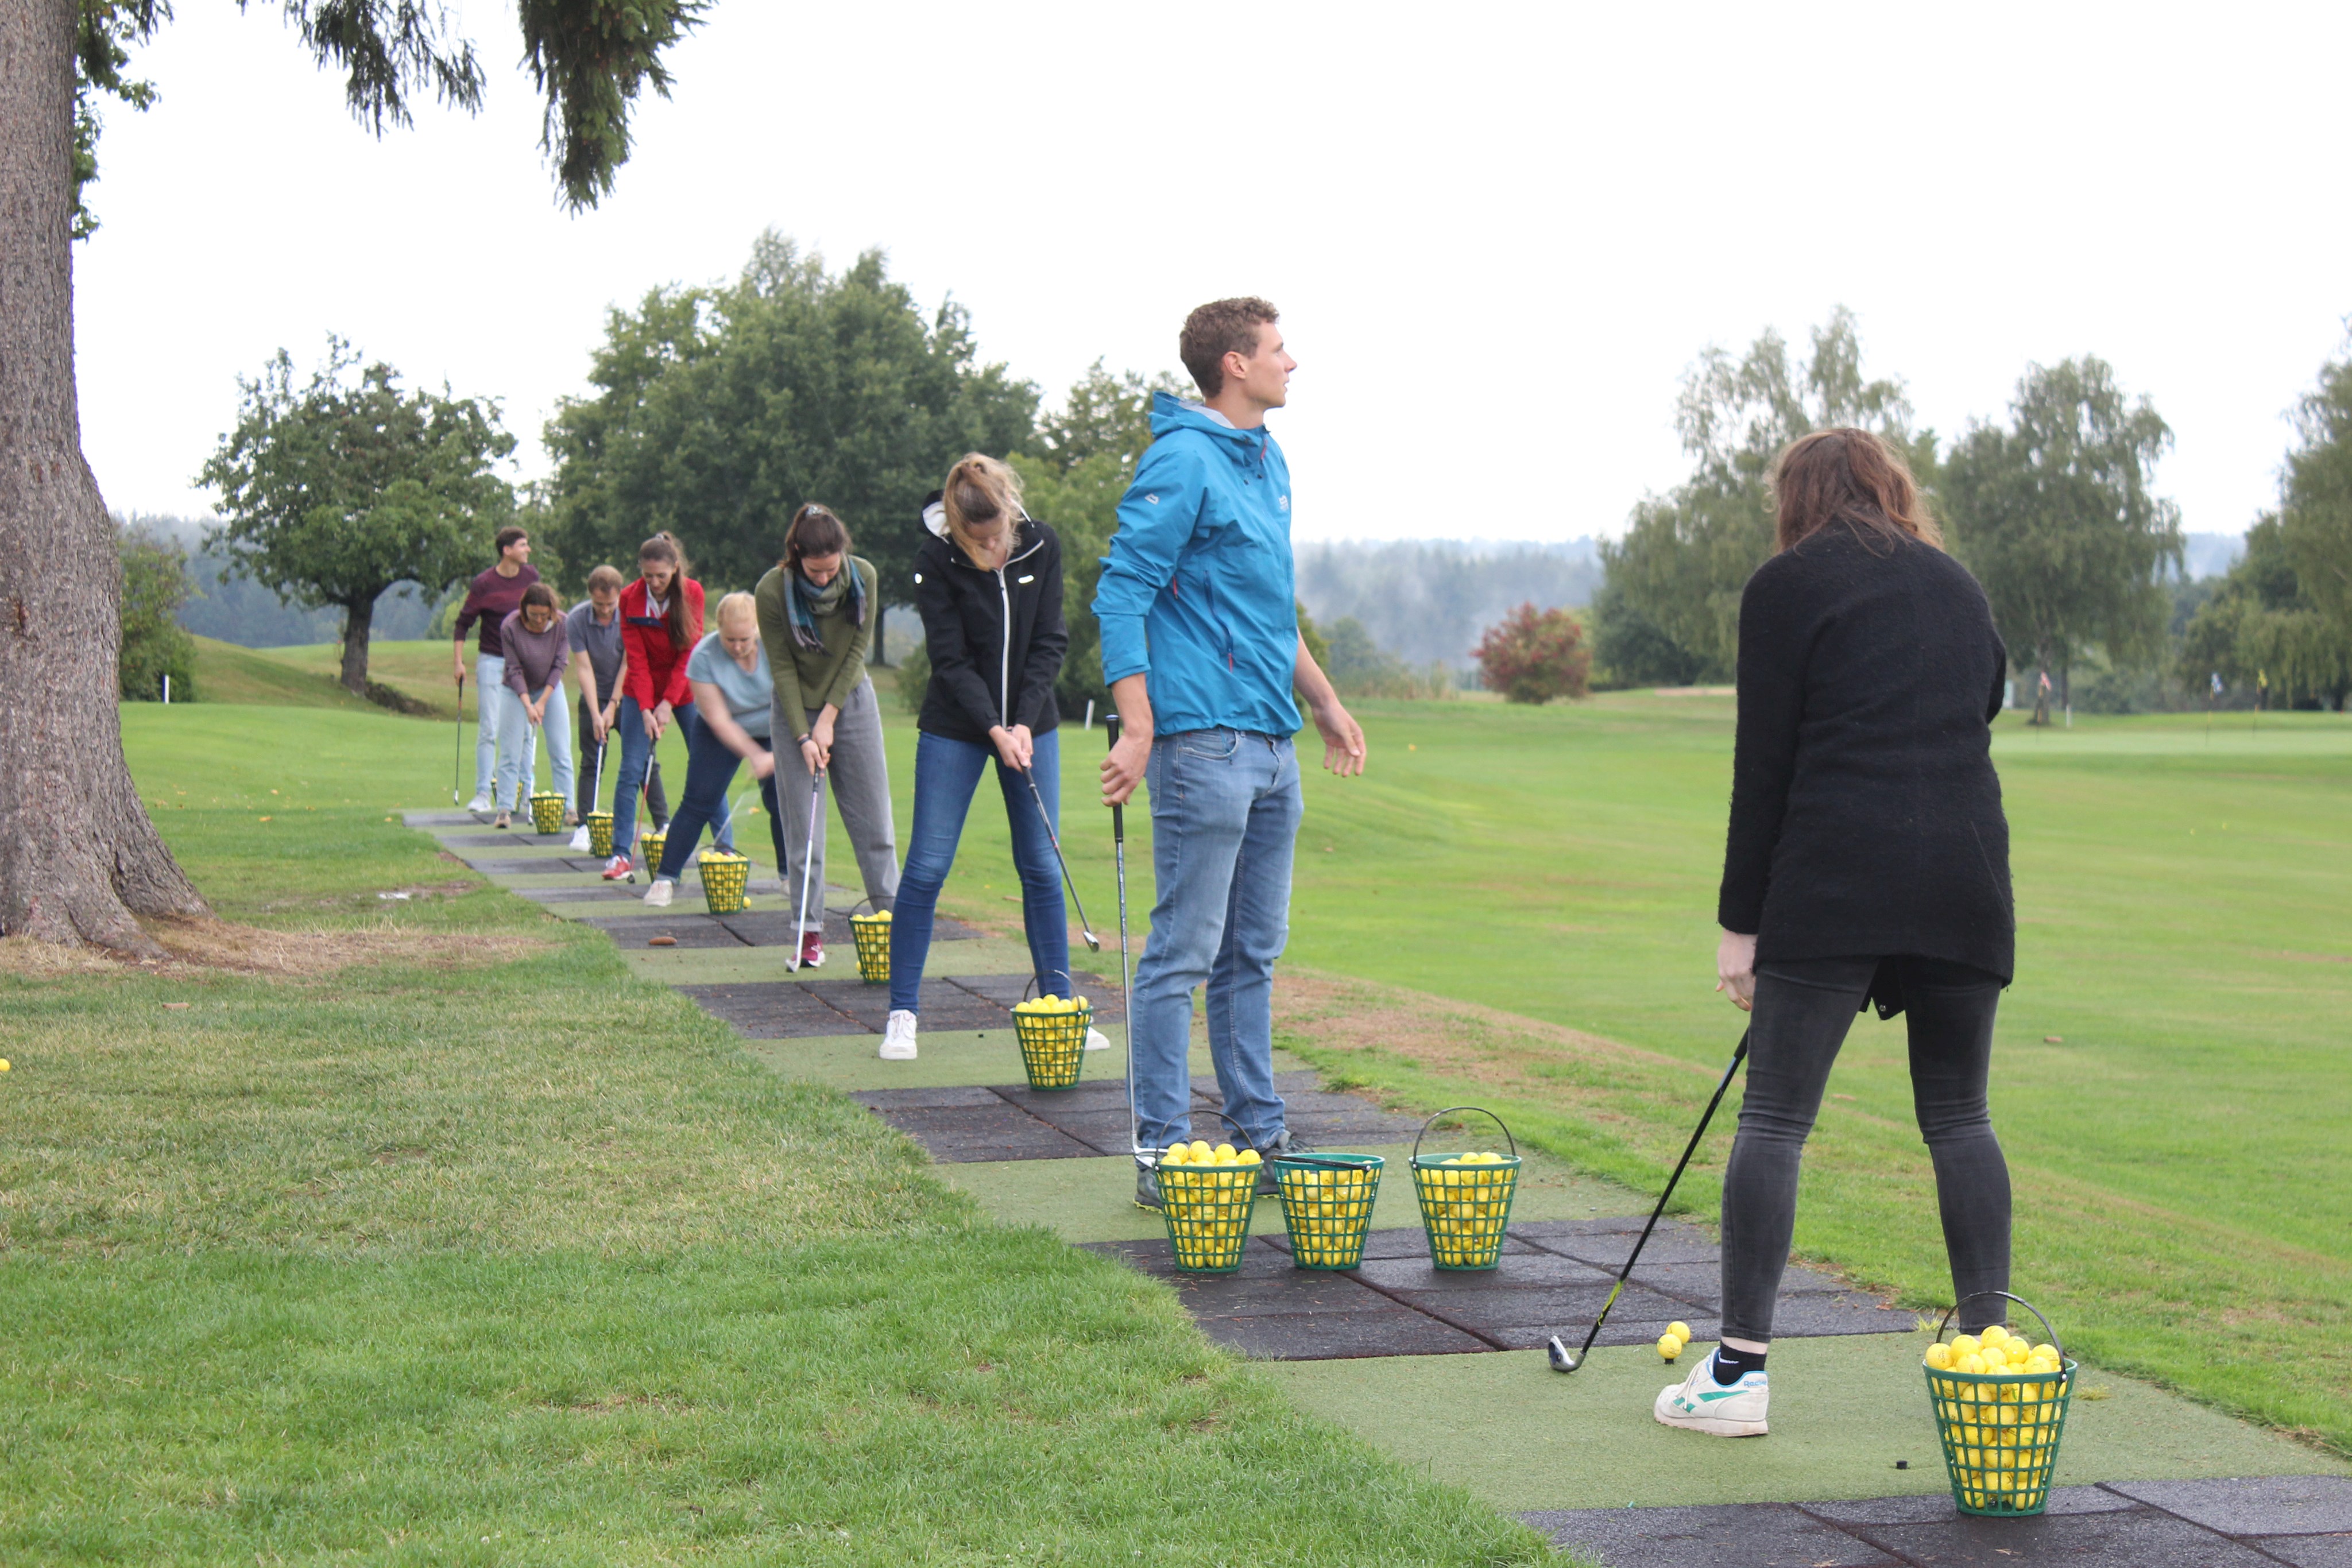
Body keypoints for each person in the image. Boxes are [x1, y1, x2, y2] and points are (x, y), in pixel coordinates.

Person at [1656, 428, 2014, 1440]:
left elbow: (1760, 766)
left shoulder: (1785, 586)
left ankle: (1734, 1380)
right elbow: (1982, 700)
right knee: (1959, 1117)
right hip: (1963, 879)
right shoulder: (1958, 584)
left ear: (1797, 498)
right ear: (1892, 488)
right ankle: (1992, 1363)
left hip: (1832, 878)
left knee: (1774, 1119)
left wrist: (1740, 926)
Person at [1093, 298, 1365, 1209]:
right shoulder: (1182, 458)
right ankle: (1163, 1148)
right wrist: (1137, 724)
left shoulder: (1268, 459)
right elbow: (1122, 591)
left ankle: (1258, 1126)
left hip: (1272, 744)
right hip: (1200, 744)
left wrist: (1322, 700)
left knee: (1253, 950)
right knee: (1183, 951)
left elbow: (1269, 607)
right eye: (1279, 349)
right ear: (1235, 365)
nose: (1294, 362)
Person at [883, 455, 1081, 1063]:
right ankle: (902, 1014)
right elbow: (951, 660)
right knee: (927, 866)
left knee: (1042, 867)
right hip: (955, 725)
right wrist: (994, 728)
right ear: (956, 526)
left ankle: (1060, 1007)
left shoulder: (1040, 544)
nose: (992, 545)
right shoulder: (935, 560)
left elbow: (1050, 641)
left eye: (997, 534)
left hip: (1031, 724)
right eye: (979, 540)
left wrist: (1021, 721)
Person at [752, 504, 899, 969]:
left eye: (830, 569)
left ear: (843, 556)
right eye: (814, 571)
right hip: (793, 707)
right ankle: (807, 933)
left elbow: (857, 650)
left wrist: (829, 718)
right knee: (804, 833)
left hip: (851, 702)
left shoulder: (864, 577)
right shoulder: (772, 590)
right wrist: (803, 733)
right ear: (797, 556)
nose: (822, 579)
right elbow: (781, 666)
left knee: (875, 826)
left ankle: (893, 926)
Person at [641, 594, 791, 907]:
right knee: (699, 801)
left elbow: (795, 701)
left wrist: (777, 753)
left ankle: (790, 876)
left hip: (774, 729)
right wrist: (754, 754)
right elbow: (719, 721)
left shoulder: (778, 648)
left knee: (782, 801)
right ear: (718, 629)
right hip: (717, 731)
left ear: (758, 630)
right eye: (729, 639)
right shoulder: (704, 657)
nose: (737, 647)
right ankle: (665, 879)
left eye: (744, 639)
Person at [604, 534, 705, 880]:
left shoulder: (692, 593)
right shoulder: (630, 599)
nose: (655, 583)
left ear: (675, 569)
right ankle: (619, 855)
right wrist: (647, 709)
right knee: (631, 769)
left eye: (661, 576)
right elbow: (637, 659)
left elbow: (688, 653)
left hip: (684, 690)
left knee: (707, 762)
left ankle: (723, 849)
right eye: (648, 576)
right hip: (639, 693)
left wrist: (667, 704)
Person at [566, 565, 669, 851]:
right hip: (592, 697)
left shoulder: (629, 614)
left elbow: (630, 662)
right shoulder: (575, 620)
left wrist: (613, 705)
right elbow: (584, 668)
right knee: (591, 760)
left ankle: (663, 824)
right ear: (591, 596)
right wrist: (597, 713)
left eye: (610, 604)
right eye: (599, 604)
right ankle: (585, 827)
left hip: (632, 695)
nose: (605, 610)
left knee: (644, 759)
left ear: (618, 597)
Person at [451, 525, 540, 812]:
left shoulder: (531, 577)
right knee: (490, 728)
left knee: (526, 730)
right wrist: (458, 662)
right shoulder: (484, 583)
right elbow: (463, 623)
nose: (528, 550)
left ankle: (526, 794)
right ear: (507, 550)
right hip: (492, 661)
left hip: (524, 661)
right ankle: (482, 794)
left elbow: (540, 616)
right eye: (523, 545)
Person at [492, 583, 578, 830]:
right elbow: (513, 669)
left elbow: (560, 665)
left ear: (552, 610)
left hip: (550, 688)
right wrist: (528, 704)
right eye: (533, 615)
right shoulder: (510, 627)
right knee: (510, 751)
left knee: (561, 749)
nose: (539, 620)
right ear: (524, 610)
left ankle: (569, 808)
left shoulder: (563, 624)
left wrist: (541, 702)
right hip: (514, 691)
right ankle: (504, 810)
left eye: (544, 615)